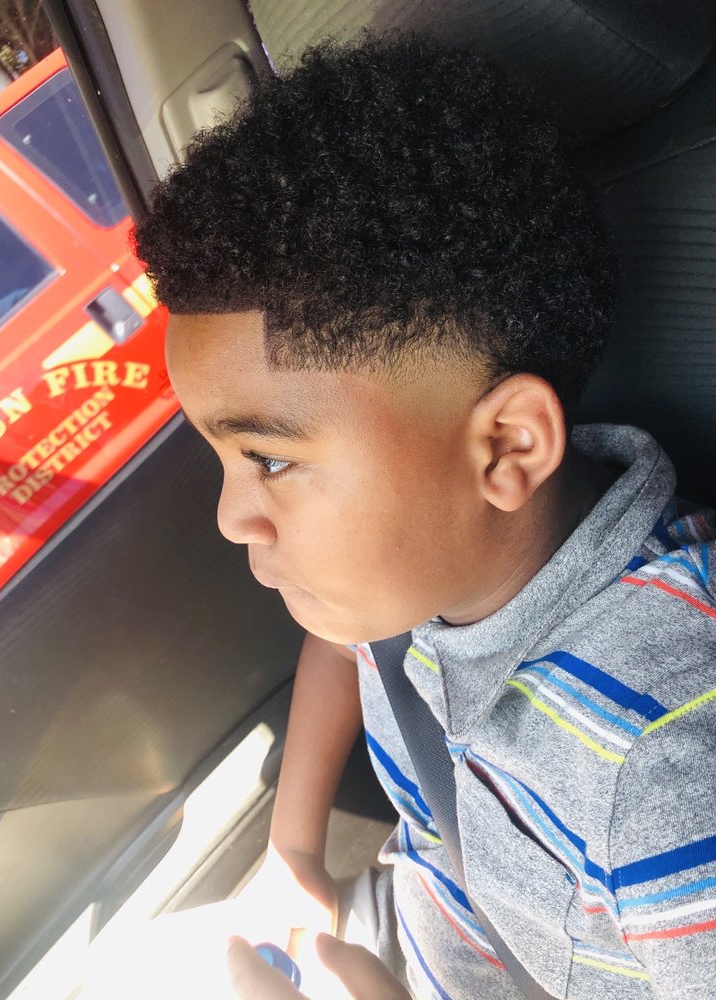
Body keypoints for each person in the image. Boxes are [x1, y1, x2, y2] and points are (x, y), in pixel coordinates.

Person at [133, 31, 716, 1000]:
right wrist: (294, 848)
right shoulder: (424, 564)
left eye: (269, 458)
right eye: (225, 460)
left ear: (507, 448)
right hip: (430, 928)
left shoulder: (668, 766)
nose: (233, 517)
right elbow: (352, 645)